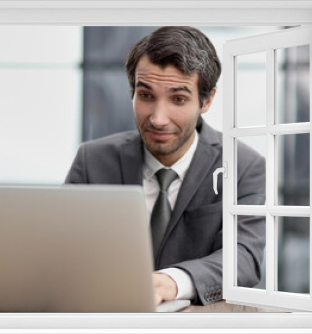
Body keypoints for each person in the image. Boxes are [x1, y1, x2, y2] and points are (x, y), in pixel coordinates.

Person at [65, 26, 266, 306]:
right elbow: (63, 249)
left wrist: (170, 282)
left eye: (178, 99)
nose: (158, 119)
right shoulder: (92, 160)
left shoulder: (243, 166)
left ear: (206, 101)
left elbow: (244, 257)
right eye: (146, 95)